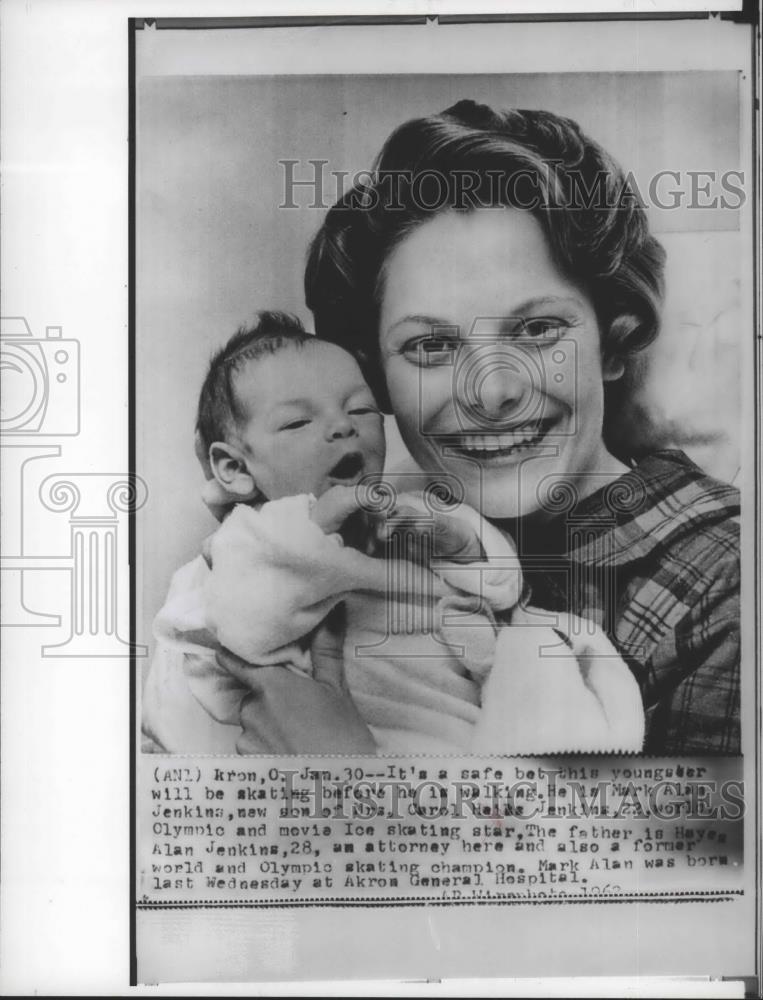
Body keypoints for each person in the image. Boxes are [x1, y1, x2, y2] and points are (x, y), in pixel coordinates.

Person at [142, 311, 644, 755]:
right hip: (344, 745)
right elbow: (242, 629)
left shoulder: (410, 517)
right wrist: (308, 535)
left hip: (459, 737)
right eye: (297, 422)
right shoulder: (234, 554)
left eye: (360, 410)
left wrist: (461, 544)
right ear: (233, 467)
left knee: (541, 650)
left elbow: (504, 589)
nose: (343, 427)